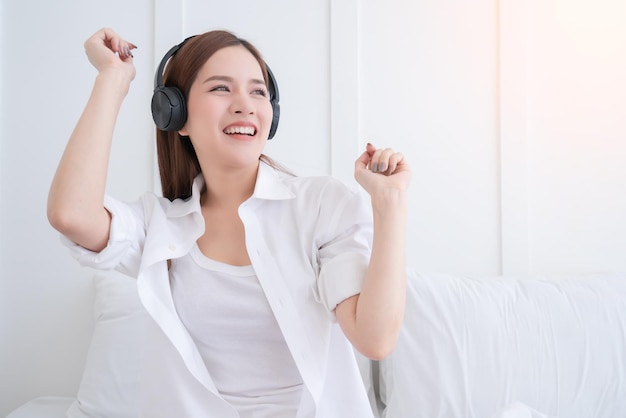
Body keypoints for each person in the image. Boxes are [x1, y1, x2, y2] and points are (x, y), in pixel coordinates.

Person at [47, 27, 411, 418]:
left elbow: (374, 339)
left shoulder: (320, 205)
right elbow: (71, 214)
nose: (245, 104)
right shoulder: (159, 226)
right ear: (175, 114)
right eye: (221, 88)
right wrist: (112, 79)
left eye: (257, 91)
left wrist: (389, 205)